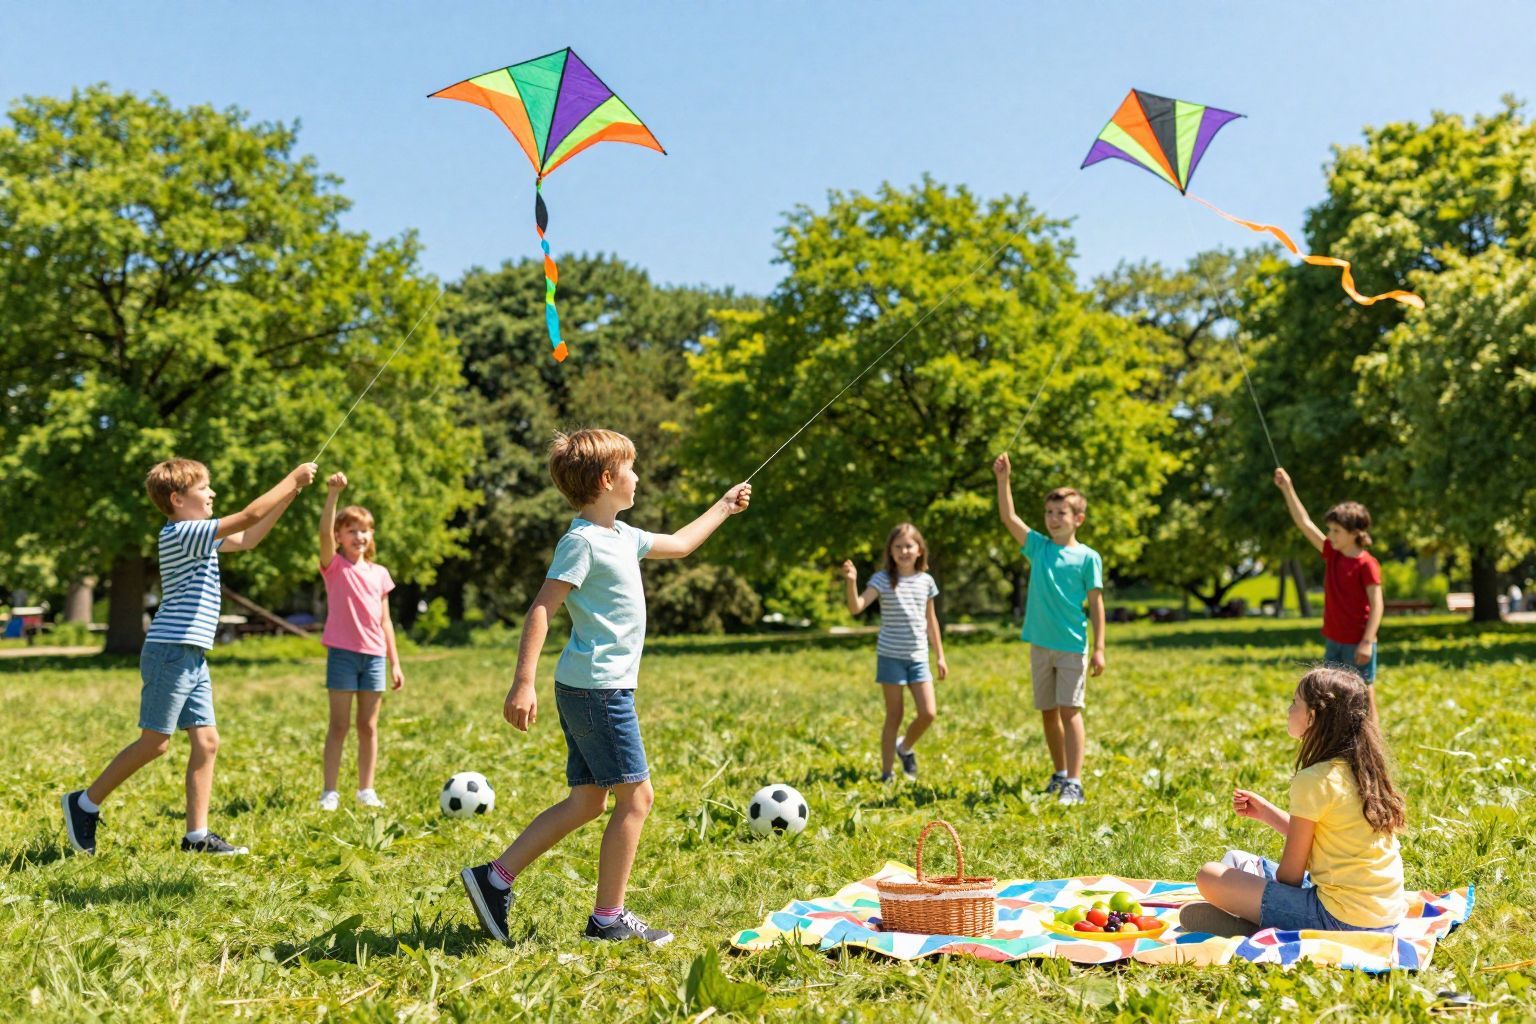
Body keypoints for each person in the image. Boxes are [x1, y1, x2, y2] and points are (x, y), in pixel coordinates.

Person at [460, 429, 751, 946]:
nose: (638, 477)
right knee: (637, 799)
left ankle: (494, 878)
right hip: (598, 690)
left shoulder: (625, 536)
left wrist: (724, 506)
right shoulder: (581, 541)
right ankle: (607, 918)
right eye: (632, 469)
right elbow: (543, 609)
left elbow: (681, 544)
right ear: (607, 479)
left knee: (589, 801)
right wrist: (521, 683)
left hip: (592, 688)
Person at [62, 458, 317, 855]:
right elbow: (249, 514)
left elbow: (250, 538)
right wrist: (291, 479)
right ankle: (84, 803)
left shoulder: (198, 534)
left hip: (192, 652)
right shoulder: (184, 533)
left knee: (207, 741)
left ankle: (196, 837)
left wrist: (291, 494)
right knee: (155, 743)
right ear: (178, 499)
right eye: (204, 488)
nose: (212, 493)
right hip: (171, 651)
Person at [1187, 667, 1407, 936]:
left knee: (1209, 875)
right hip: (1387, 915)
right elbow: (1325, 837)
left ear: (1312, 717)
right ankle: (1250, 913)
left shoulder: (1314, 779)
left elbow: (1290, 877)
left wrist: (1259, 891)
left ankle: (1252, 924)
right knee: (1237, 860)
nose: (1289, 710)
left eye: (1295, 703)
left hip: (1341, 920)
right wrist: (1267, 813)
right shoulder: (1364, 770)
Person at [992, 453, 1105, 806]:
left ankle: (1075, 781)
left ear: (1078, 519)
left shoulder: (1088, 557)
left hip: (1072, 644)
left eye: (1062, 514)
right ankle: (1058, 774)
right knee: (1048, 712)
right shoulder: (1038, 547)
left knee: (1070, 711)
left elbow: (1097, 604)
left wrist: (1099, 647)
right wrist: (1003, 479)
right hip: (1040, 644)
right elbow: (1008, 517)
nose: (1054, 519)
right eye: (1049, 513)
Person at [316, 472, 403, 811]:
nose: (359, 536)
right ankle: (329, 791)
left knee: (367, 727)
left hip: (374, 658)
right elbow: (322, 531)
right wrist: (333, 495)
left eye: (364, 530)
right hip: (342, 655)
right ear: (338, 537)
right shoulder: (334, 566)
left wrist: (395, 662)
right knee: (338, 725)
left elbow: (386, 621)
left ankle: (366, 790)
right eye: (351, 530)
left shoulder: (379, 574)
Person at [1273, 468, 1384, 719]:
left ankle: (1372, 739)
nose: (1330, 536)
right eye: (1330, 530)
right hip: (1334, 639)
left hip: (1358, 642)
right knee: (1333, 693)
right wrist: (1287, 488)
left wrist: (1367, 640)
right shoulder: (1332, 554)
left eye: (1336, 531)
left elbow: (1377, 605)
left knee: (1364, 693)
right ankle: (1339, 740)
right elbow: (1304, 522)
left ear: (1355, 534)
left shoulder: (1367, 564)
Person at [841, 523, 947, 782]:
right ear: (890, 551)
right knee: (894, 715)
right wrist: (851, 582)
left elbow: (931, 621)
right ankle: (887, 774)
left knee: (928, 713)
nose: (904, 551)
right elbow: (856, 607)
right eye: (897, 547)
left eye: (909, 546)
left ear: (919, 550)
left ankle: (905, 747)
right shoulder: (881, 580)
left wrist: (940, 656)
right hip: (890, 658)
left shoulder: (926, 582)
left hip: (918, 657)